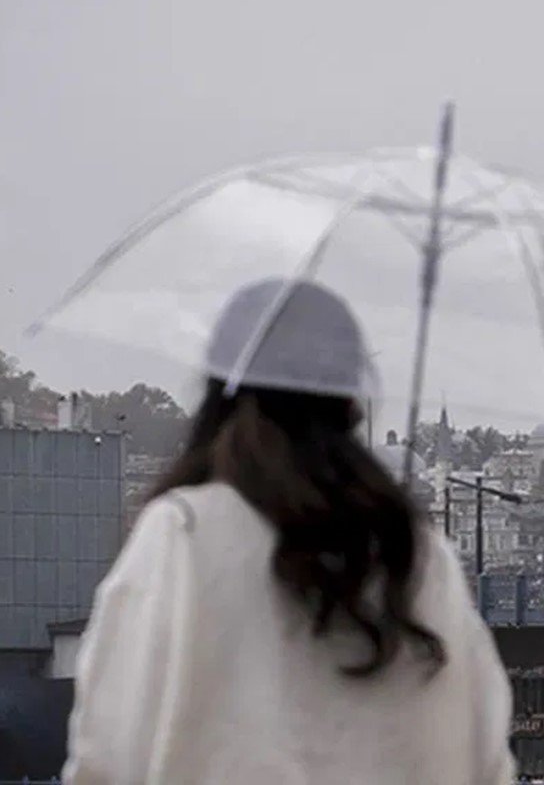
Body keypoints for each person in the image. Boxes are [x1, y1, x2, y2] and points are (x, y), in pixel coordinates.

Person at [63, 279, 513, 783]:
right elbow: (487, 761)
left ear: (220, 396)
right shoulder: (421, 559)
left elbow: (108, 749)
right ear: (349, 403)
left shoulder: (183, 536)